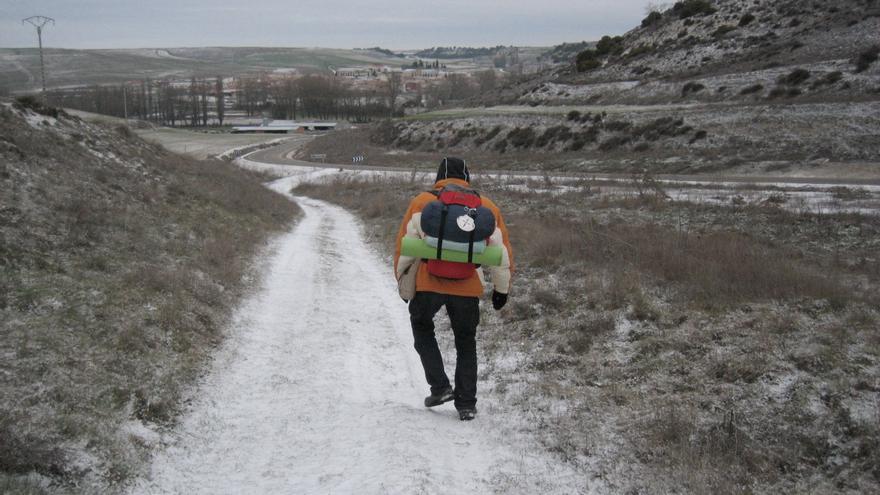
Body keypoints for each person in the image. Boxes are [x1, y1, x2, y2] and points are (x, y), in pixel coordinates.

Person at [393, 157, 513, 421]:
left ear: (438, 176)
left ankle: (440, 387)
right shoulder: (486, 205)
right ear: (467, 177)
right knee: (466, 342)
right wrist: (501, 290)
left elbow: (405, 245)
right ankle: (467, 404)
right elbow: (501, 251)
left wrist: (402, 281)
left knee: (422, 328)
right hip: (467, 286)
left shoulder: (423, 202)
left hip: (428, 283)